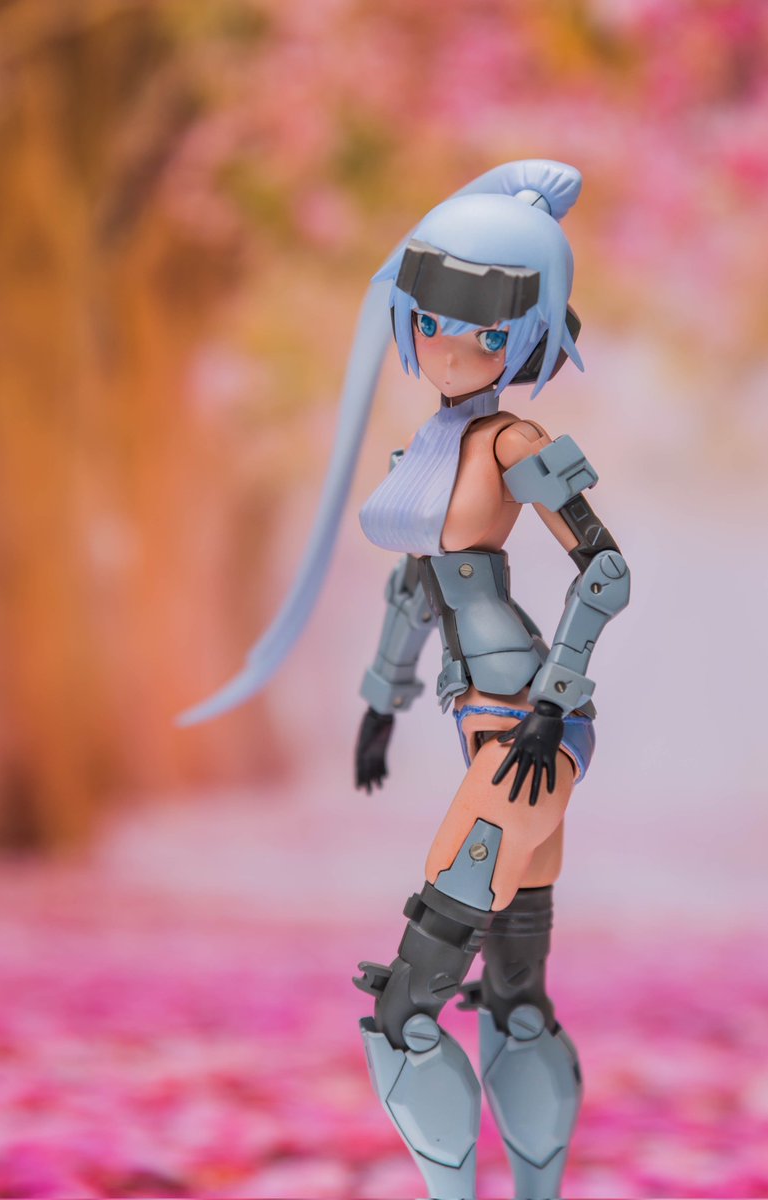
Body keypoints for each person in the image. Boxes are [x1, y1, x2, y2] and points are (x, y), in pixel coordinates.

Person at [181, 159, 630, 1200]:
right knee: (515, 997)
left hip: (528, 734)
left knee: (406, 1010)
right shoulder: (431, 446)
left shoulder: (516, 442)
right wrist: (381, 703)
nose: (450, 347)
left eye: (483, 331)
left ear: (526, 336)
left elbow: (606, 571)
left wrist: (554, 700)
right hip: (489, 723)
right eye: (430, 321)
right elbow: (414, 591)